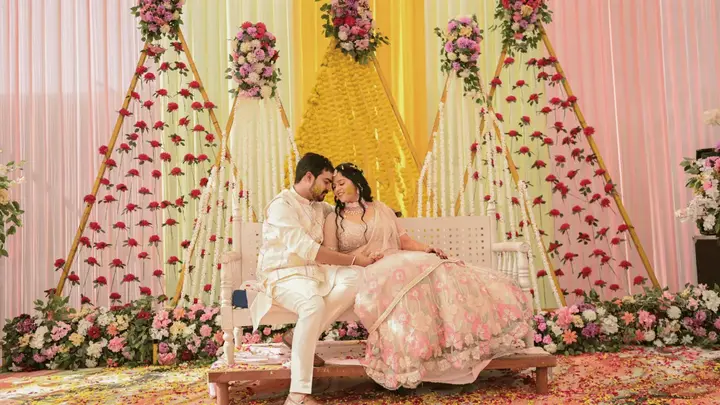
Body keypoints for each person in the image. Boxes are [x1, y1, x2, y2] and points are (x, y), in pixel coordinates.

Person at [322, 163, 533, 390]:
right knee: (402, 274)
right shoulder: (334, 219)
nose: (337, 190)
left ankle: (451, 342)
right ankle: (413, 350)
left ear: (356, 181)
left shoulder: (381, 209)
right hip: (365, 269)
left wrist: (428, 248)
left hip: (396, 259)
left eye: (341, 183)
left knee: (434, 265)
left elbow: (405, 241)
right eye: (333, 187)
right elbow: (332, 256)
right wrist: (360, 258)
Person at [252, 153, 376, 405]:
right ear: (309, 177)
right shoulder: (281, 206)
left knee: (357, 276)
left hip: (315, 273)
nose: (330, 189)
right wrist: (354, 259)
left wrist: (377, 214)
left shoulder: (320, 207)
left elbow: (348, 214)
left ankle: (296, 336)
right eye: (327, 182)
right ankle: (297, 395)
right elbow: (309, 250)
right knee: (313, 304)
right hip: (282, 274)